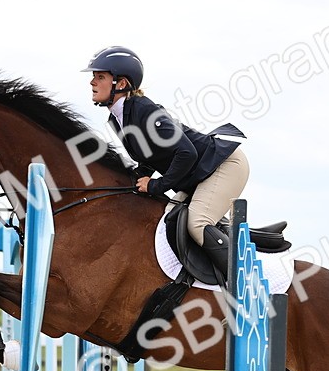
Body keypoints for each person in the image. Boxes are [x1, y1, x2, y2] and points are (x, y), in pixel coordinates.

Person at [83, 46, 248, 285]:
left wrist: (158, 185)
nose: (92, 82)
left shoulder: (144, 111)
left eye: (100, 77)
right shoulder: (120, 118)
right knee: (166, 219)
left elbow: (186, 152)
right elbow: (150, 157)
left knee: (196, 223)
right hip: (202, 174)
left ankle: (244, 287)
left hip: (225, 166)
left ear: (121, 84)